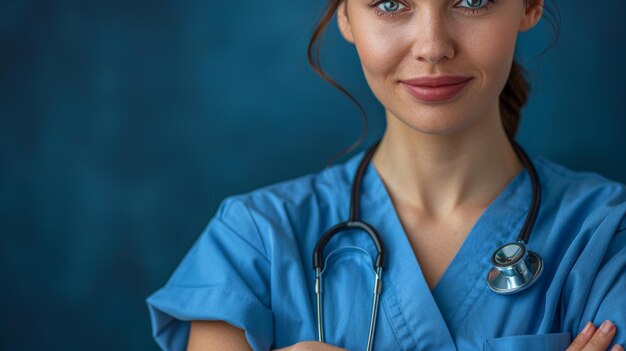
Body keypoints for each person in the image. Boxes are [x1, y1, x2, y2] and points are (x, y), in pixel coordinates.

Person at [146, 0, 626, 350]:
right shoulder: (250, 243)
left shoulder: (608, 237)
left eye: (473, 1)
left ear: (529, 6)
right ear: (345, 16)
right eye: (391, 4)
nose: (433, 47)